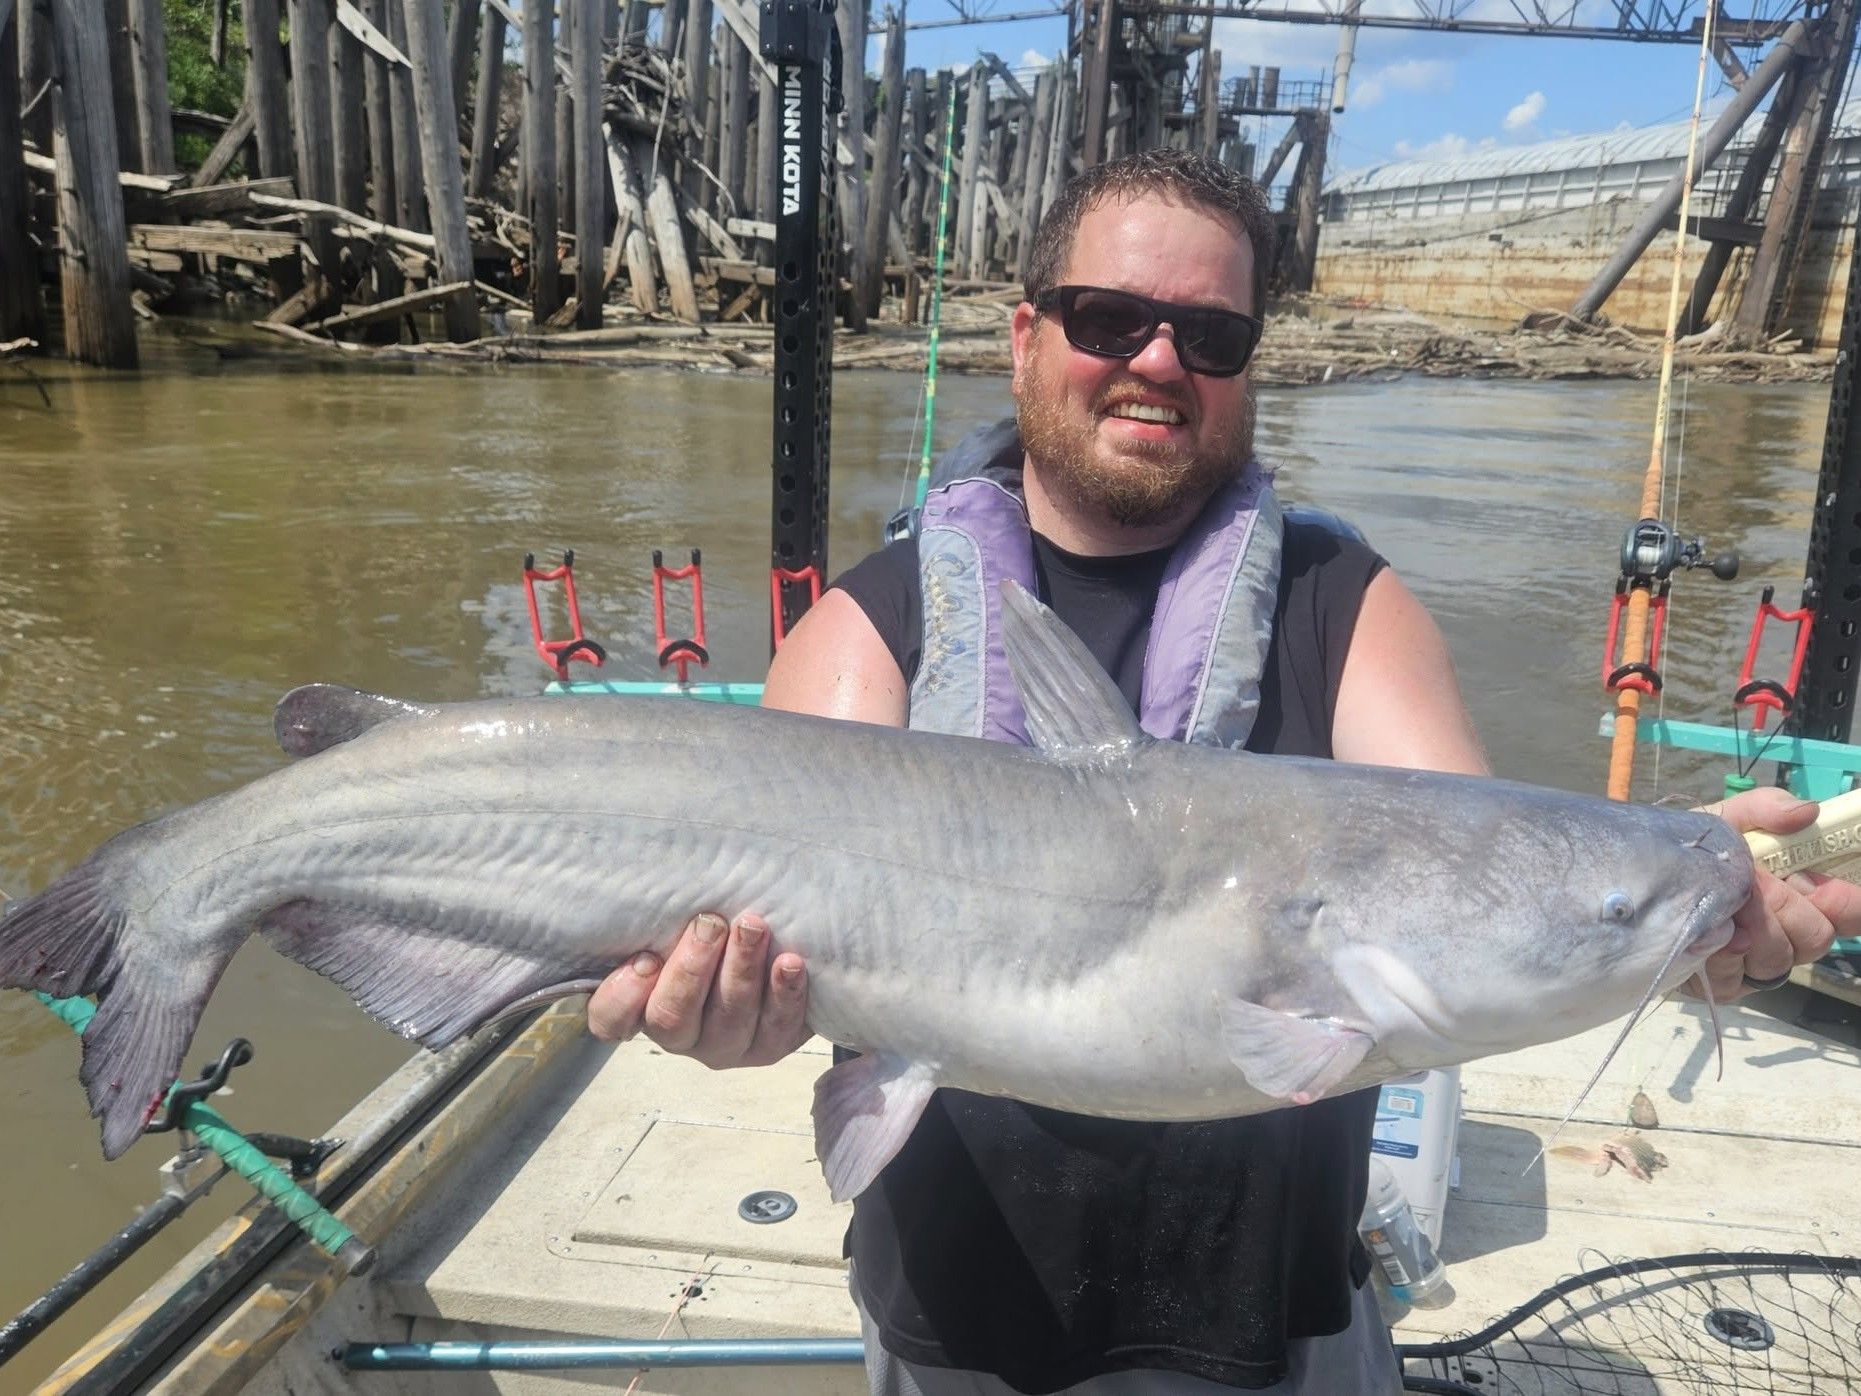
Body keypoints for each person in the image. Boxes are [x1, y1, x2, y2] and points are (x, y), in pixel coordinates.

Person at [586, 149, 1860, 1394]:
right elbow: (757, 963)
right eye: (1110, 318)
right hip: (957, 1327)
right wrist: (724, 1018)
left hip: (1288, 1325)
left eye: (1210, 334)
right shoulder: (872, 629)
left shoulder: (1342, 605)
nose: (1157, 361)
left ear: (1251, 364)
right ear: (1024, 337)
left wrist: (1683, 908)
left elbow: (1484, 868)